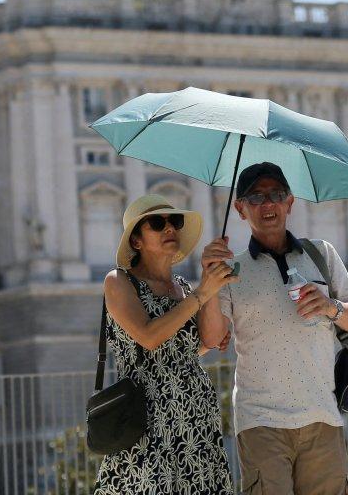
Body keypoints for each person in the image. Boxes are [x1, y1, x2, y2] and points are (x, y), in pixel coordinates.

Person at [198, 162, 348, 495]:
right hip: (261, 419)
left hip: (322, 413)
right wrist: (208, 282)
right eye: (256, 197)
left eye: (276, 194)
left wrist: (329, 306)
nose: (267, 204)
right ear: (240, 208)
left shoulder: (322, 254)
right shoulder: (230, 269)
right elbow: (210, 339)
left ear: (289, 202)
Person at [94, 193, 237, 495]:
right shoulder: (119, 281)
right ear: (136, 241)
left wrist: (209, 277)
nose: (169, 228)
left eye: (175, 221)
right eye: (157, 223)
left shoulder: (185, 288)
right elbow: (148, 337)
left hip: (195, 414)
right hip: (147, 415)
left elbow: (209, 340)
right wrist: (201, 294)